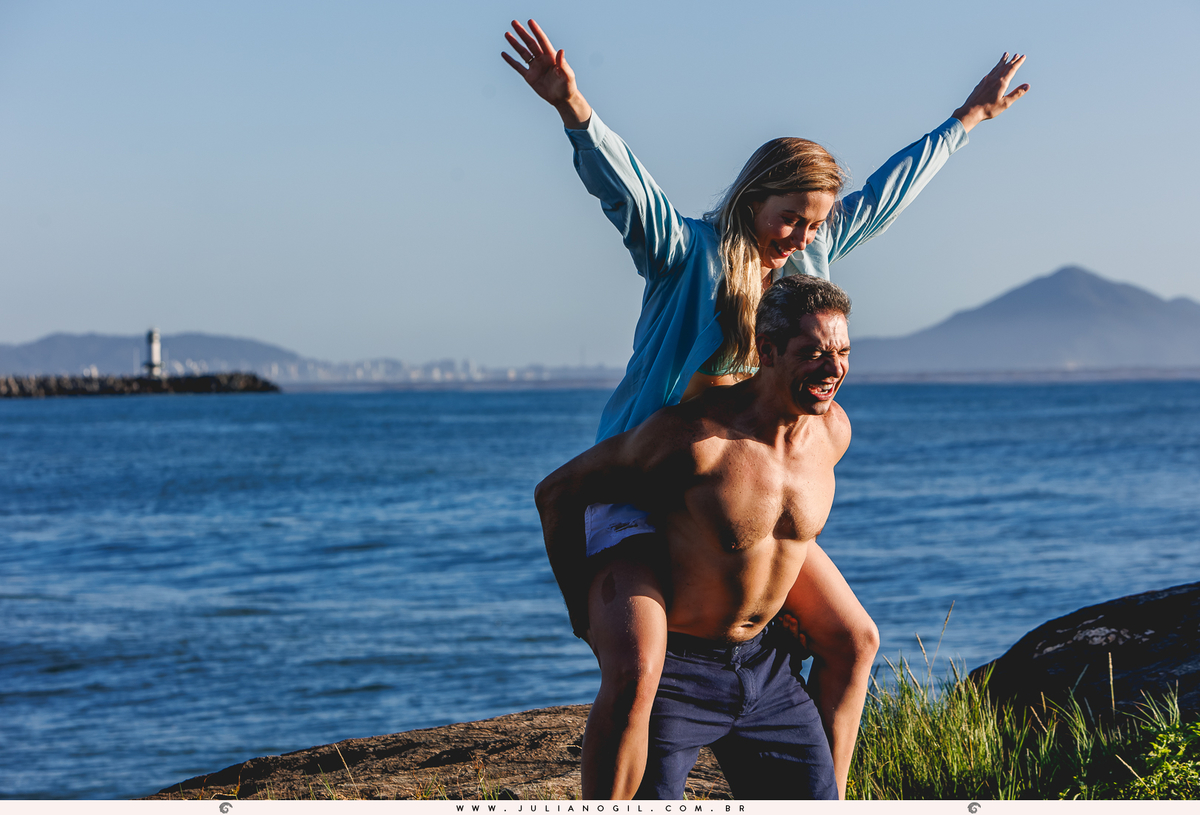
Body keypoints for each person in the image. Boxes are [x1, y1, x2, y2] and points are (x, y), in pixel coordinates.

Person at [503, 18, 1029, 799]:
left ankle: (820, 789)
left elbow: (888, 192)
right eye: (792, 216)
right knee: (641, 666)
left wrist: (966, 121)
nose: (804, 235)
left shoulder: (808, 258)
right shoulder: (686, 253)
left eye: (816, 222)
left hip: (732, 485)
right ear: (755, 196)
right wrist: (574, 109)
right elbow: (630, 191)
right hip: (642, 483)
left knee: (852, 637)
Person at [537, 275, 857, 799]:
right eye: (814, 352)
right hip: (677, 679)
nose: (834, 368)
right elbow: (558, 493)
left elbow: (780, 542)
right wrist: (584, 613)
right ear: (767, 351)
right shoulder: (696, 438)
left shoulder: (832, 433)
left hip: (768, 671)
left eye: (843, 351)